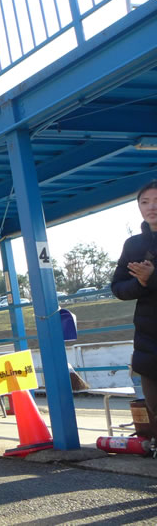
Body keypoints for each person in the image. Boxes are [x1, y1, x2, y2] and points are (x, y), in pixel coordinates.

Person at [112, 180, 157, 422]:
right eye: (145, 202)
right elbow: (118, 287)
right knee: (155, 407)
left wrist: (152, 277)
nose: (151, 207)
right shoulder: (133, 245)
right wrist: (140, 282)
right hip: (149, 343)